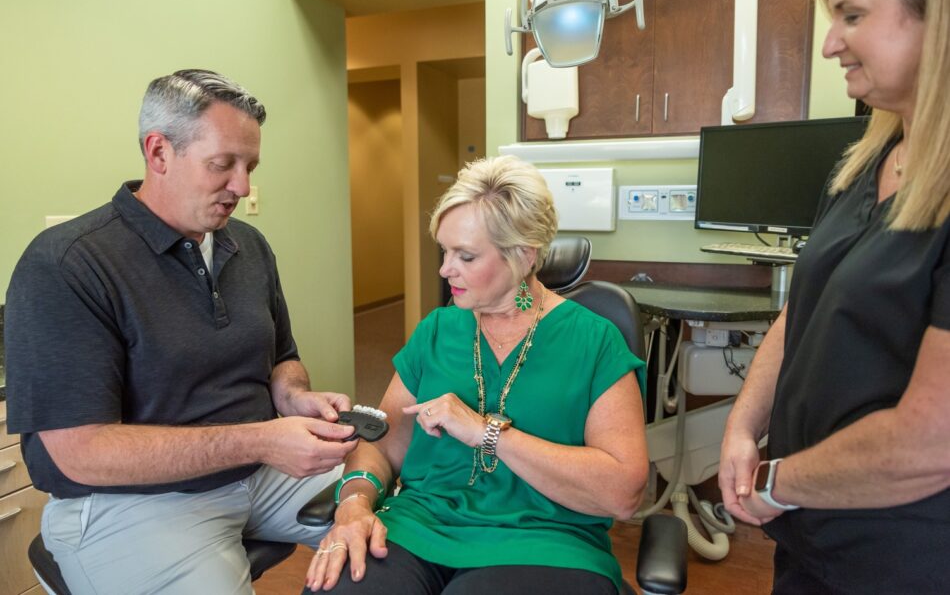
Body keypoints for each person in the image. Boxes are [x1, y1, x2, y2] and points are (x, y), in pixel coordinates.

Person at [4, 69, 359, 594]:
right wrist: (262, 438)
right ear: (158, 152)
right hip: (129, 504)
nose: (242, 186)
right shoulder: (67, 264)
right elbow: (81, 452)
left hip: (261, 474)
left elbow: (282, 356)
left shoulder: (249, 246)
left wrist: (294, 396)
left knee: (406, 530)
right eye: (223, 165)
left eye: (249, 166)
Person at [302, 156, 649, 594]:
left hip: (544, 541)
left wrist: (485, 432)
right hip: (416, 527)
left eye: (465, 256)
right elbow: (384, 447)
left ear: (523, 255)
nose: (446, 269)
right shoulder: (437, 331)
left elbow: (622, 492)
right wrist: (354, 504)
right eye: (444, 251)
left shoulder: (595, 342)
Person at [718, 0, 950, 592]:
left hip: (903, 555)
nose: (829, 43)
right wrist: (743, 426)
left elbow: (930, 444)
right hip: (809, 535)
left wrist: (773, 483)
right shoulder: (862, 165)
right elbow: (803, 313)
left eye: (852, 16)